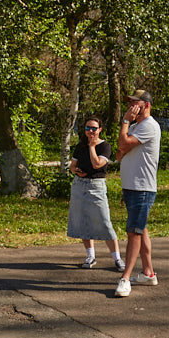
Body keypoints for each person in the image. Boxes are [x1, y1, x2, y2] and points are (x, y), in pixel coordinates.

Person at [114, 90, 162, 298]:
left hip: (142, 188)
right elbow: (119, 152)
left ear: (147, 105)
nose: (131, 106)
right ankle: (148, 273)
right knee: (141, 229)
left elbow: (123, 145)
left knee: (134, 232)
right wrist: (126, 136)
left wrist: (125, 122)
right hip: (132, 186)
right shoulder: (135, 127)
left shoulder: (148, 125)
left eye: (136, 103)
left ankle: (125, 278)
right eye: (129, 103)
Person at [67, 116, 125, 271]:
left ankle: (117, 258)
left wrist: (92, 146)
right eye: (88, 128)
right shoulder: (80, 146)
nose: (91, 131)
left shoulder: (105, 146)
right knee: (83, 222)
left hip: (96, 186)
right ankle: (90, 256)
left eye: (94, 128)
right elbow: (72, 166)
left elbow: (97, 164)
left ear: (100, 130)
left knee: (104, 222)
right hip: (79, 185)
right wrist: (76, 171)